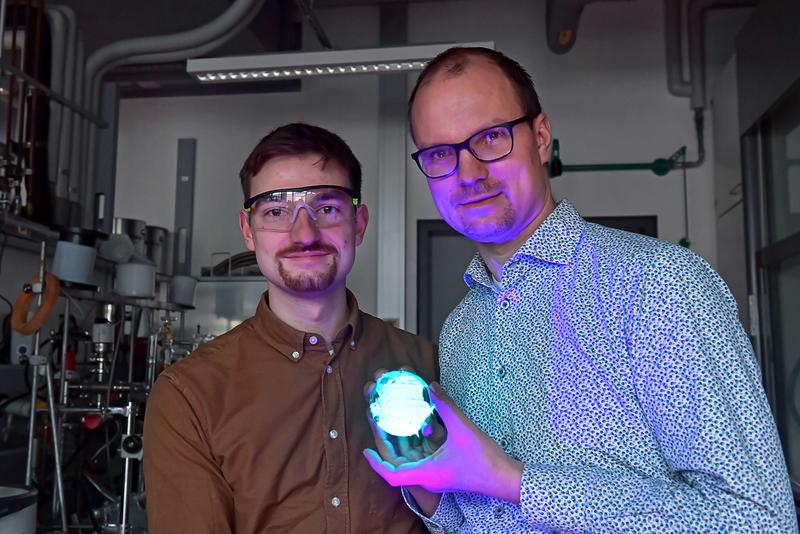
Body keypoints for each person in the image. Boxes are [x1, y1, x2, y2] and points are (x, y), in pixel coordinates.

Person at [363, 47, 798, 532]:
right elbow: (477, 518)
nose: (469, 174)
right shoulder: (462, 328)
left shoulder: (658, 286)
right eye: (442, 154)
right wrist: (430, 493)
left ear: (541, 137)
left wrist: (513, 480)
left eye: (490, 138)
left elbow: (757, 519)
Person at [144, 123, 437, 533]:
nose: (304, 234)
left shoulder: (429, 366)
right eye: (276, 212)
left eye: (328, 208)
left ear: (359, 223)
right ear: (248, 231)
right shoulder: (189, 396)